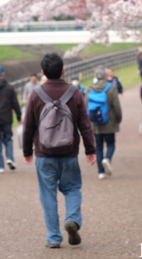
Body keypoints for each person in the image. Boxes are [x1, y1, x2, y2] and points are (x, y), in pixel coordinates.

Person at [23, 53, 96, 249]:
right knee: (72, 189)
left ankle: (54, 237)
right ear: (63, 71)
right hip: (69, 153)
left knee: (48, 195)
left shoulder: (36, 93)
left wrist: (27, 150)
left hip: (44, 154)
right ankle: (71, 219)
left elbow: (29, 125)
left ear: (42, 72)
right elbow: (84, 124)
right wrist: (90, 149)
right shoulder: (75, 92)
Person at [86, 66, 122, 180]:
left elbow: (86, 106)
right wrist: (118, 118)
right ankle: (107, 159)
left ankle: (100, 172)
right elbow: (116, 106)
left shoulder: (89, 88)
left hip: (95, 124)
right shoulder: (111, 88)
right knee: (111, 144)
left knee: (98, 147)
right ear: (106, 76)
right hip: (109, 122)